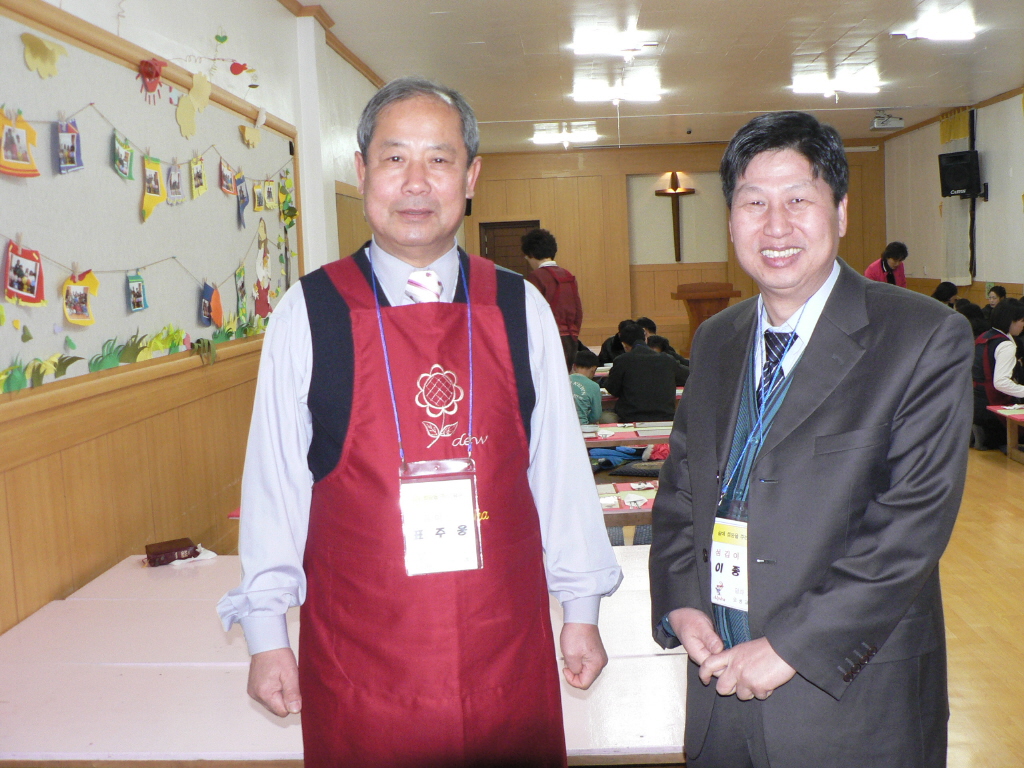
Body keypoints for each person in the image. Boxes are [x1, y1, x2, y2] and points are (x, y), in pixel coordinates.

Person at [217, 77, 622, 768]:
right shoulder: (308, 312)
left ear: (471, 177)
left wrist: (581, 612)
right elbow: (274, 485)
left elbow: (559, 473)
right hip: (362, 660)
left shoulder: (519, 307)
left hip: (504, 652)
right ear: (361, 171)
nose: (415, 182)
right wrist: (266, 635)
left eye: (438, 159)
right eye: (394, 157)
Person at [649, 110, 973, 768]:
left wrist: (789, 648)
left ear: (841, 211)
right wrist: (682, 605)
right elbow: (681, 490)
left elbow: (909, 527)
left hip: (852, 702)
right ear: (731, 219)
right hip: (719, 687)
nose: (776, 226)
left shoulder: (921, 336)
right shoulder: (716, 339)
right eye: (754, 203)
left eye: (798, 200)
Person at [523, 228, 583, 371]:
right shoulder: (568, 275)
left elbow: (530, 314)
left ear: (531, 254)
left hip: (548, 341)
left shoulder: (535, 277)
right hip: (570, 340)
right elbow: (578, 312)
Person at [604, 323, 684, 422]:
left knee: (605, 416)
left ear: (624, 345)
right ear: (646, 339)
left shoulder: (621, 360)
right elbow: (687, 376)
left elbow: (613, 389)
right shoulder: (667, 359)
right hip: (666, 417)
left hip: (631, 418)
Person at [972, 299, 1024, 449]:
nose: (1023, 325)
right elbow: (1001, 382)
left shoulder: (984, 336)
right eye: (1022, 320)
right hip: (992, 407)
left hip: (976, 403)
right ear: (1011, 320)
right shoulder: (1006, 345)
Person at [570, 348, 602, 425]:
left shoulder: (562, 381)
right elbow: (596, 416)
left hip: (560, 426)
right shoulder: (594, 386)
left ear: (574, 366)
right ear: (594, 369)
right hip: (582, 426)